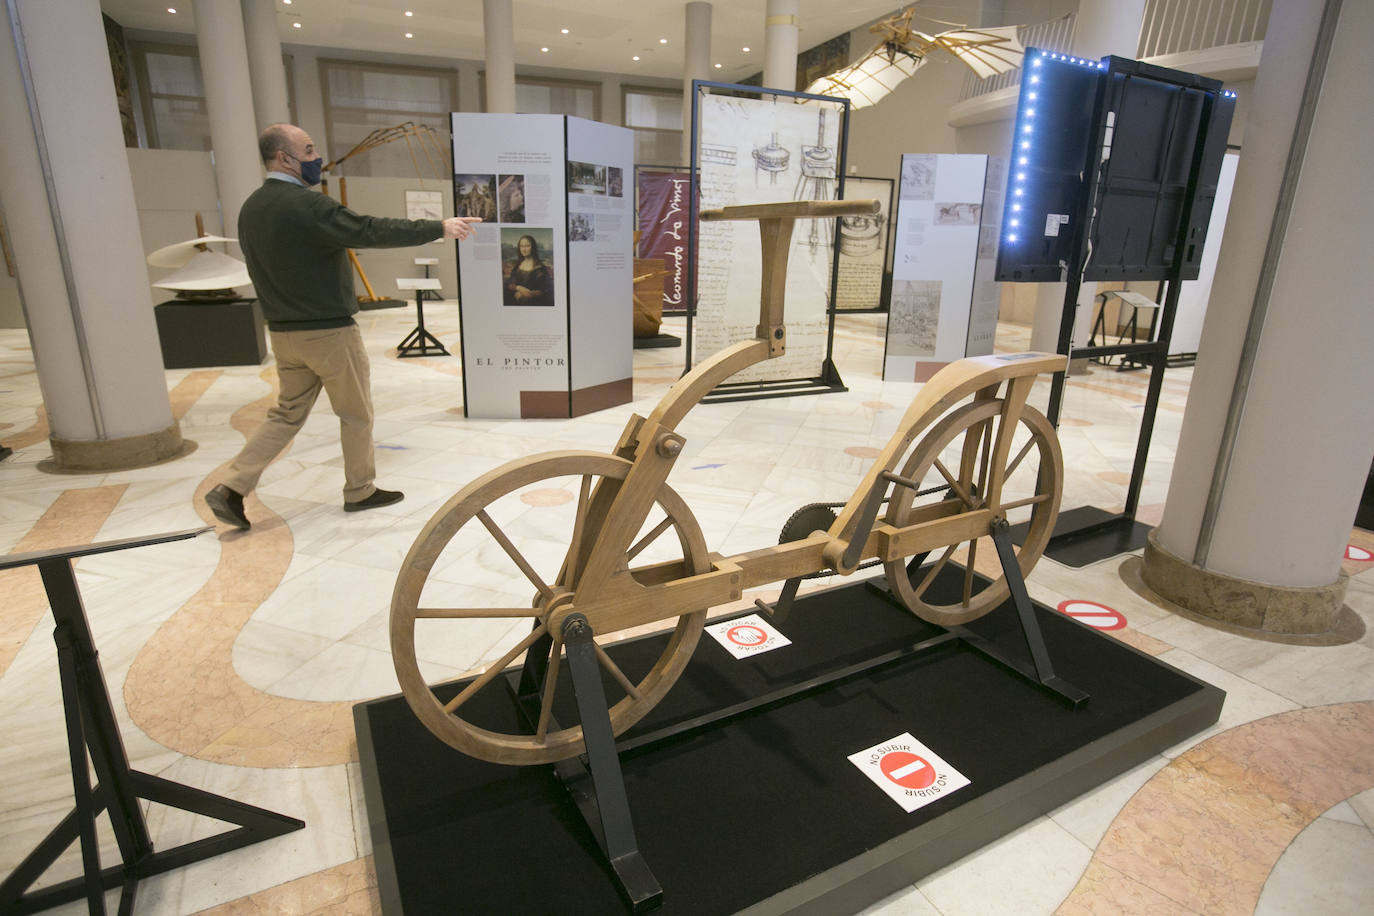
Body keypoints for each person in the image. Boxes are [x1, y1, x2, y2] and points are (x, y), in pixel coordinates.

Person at [205, 123, 479, 531]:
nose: (317, 158)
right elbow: (368, 229)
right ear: (283, 157)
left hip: (283, 333)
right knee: (355, 414)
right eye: (309, 150)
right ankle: (360, 489)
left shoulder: (252, 208)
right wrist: (436, 227)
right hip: (328, 333)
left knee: (286, 414)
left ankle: (232, 486)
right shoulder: (307, 206)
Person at [503, 234, 552, 306]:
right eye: (521, 246)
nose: (524, 249)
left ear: (533, 247)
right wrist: (518, 288)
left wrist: (526, 295)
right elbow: (510, 283)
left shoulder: (540, 268)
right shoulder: (517, 265)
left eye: (527, 246)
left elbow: (543, 291)